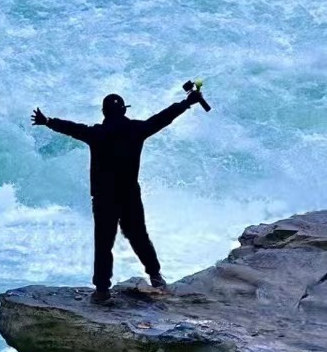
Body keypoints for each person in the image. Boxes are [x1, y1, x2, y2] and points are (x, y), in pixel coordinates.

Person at [31, 88, 204, 304]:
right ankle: (156, 277)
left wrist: (47, 120)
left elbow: (71, 128)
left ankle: (102, 290)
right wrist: (187, 102)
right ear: (123, 111)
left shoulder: (96, 134)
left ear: (104, 113)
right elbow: (163, 118)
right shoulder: (137, 130)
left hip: (104, 198)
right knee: (139, 236)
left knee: (104, 243)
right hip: (129, 195)